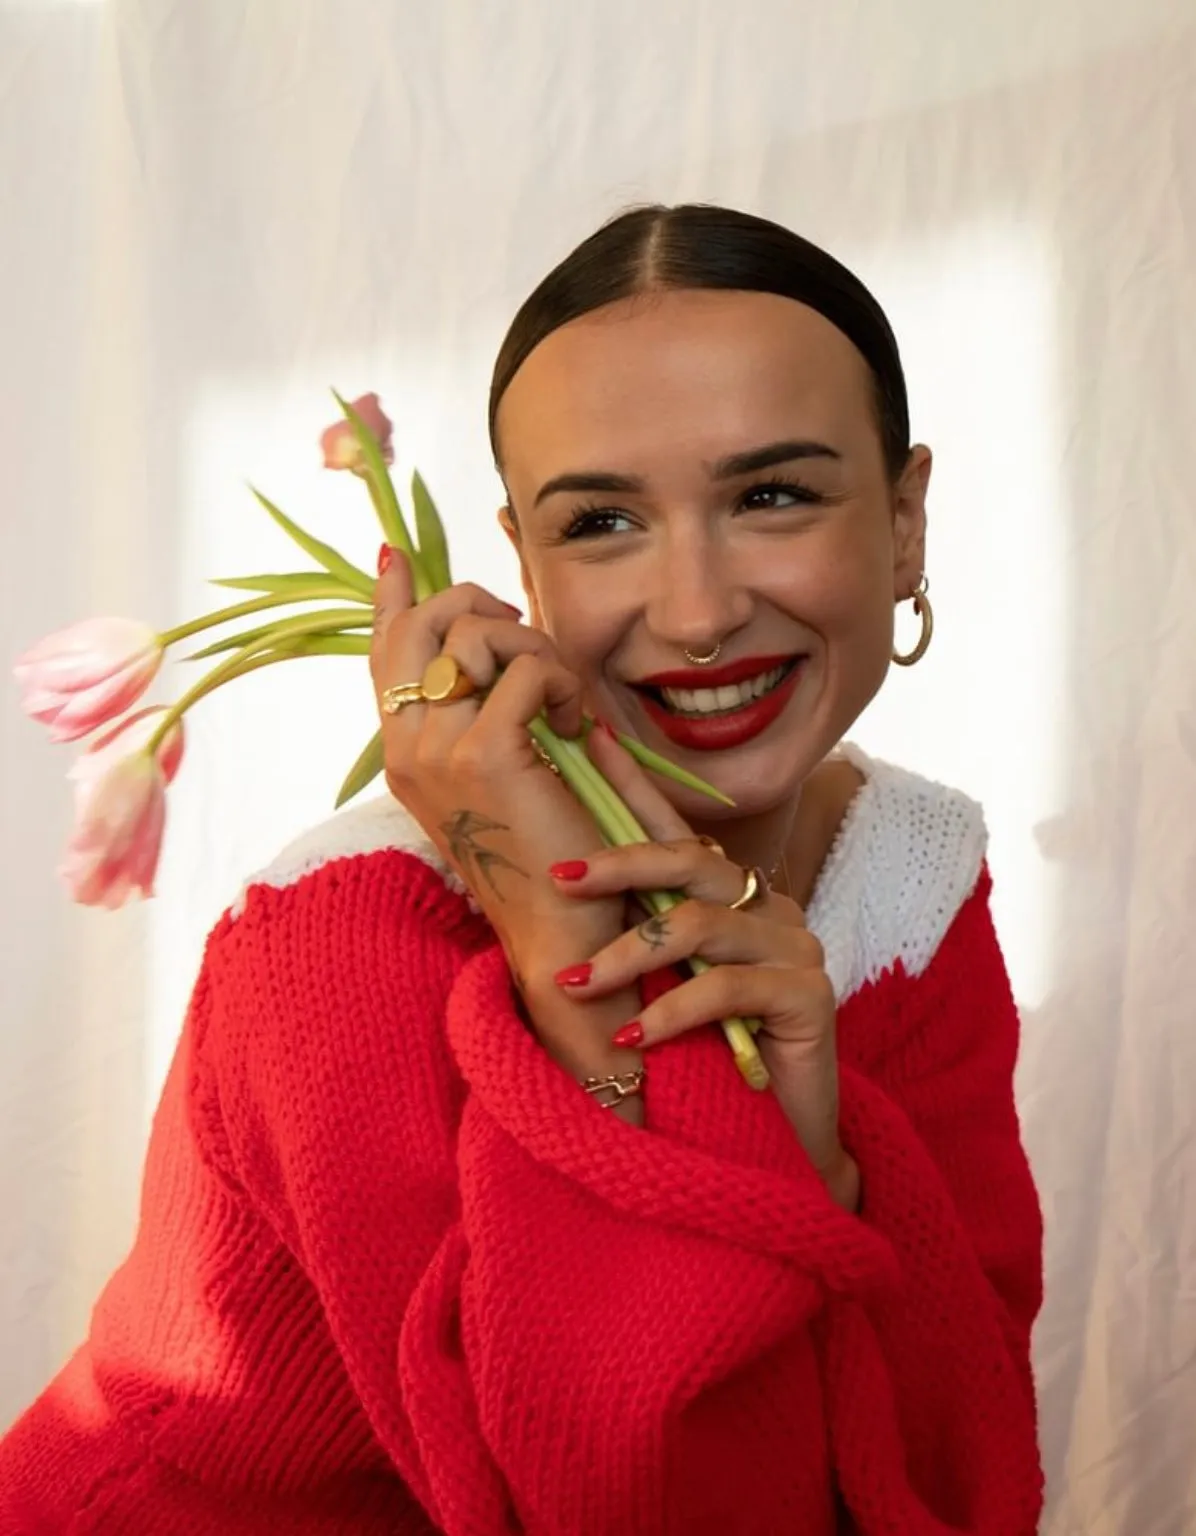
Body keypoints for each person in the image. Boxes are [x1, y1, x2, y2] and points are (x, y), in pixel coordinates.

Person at [0, 204, 1044, 1534]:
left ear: (903, 524)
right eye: (602, 521)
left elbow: (962, 1449)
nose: (698, 609)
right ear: (523, 567)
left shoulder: (910, 874)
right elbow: (602, 1499)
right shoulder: (338, 937)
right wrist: (574, 957)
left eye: (772, 495)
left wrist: (802, 1144)